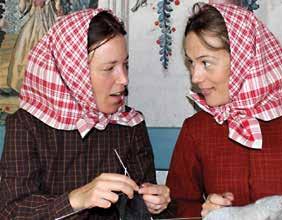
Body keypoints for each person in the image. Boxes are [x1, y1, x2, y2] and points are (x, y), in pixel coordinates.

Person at [166, 2, 282, 220]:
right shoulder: (196, 129)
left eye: (206, 63)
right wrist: (204, 214)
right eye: (191, 63)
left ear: (244, 59)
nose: (195, 77)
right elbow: (177, 206)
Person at [0, 9, 170, 219]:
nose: (124, 79)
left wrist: (155, 204)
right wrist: (76, 200)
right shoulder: (28, 125)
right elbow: (11, 211)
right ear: (73, 73)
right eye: (109, 68)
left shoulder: (129, 124)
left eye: (125, 64)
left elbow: (140, 203)